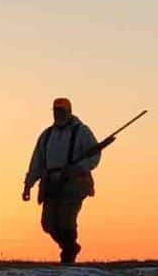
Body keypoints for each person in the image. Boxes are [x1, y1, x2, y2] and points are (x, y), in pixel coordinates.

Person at [23, 98, 101, 264]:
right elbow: (37, 161)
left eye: (61, 111)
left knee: (66, 220)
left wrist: (78, 168)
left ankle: (68, 256)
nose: (58, 114)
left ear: (69, 111)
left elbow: (94, 155)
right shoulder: (46, 135)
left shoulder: (82, 131)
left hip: (74, 182)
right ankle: (70, 247)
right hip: (51, 182)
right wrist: (28, 184)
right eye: (56, 111)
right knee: (48, 224)